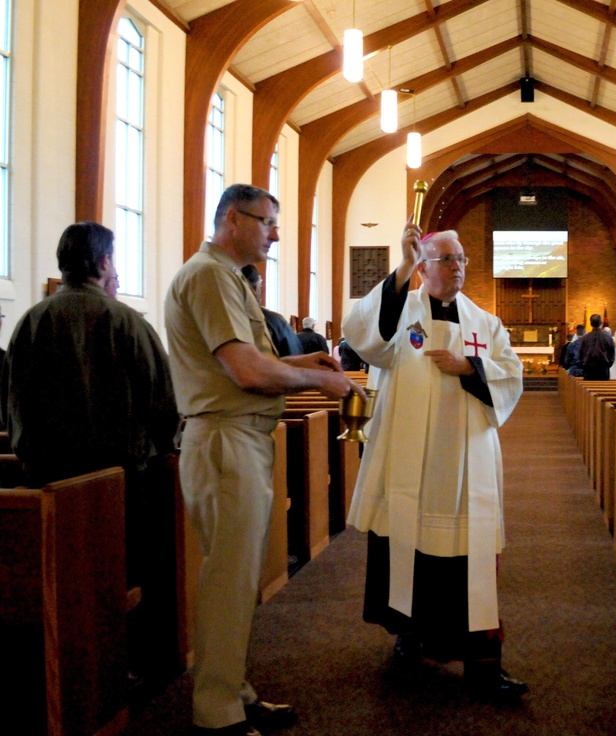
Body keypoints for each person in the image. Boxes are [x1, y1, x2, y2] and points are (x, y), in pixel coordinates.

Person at [165, 184, 364, 736]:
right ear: (232, 219)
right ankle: (218, 713)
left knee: (239, 577)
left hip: (239, 436)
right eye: (268, 222)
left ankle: (233, 689)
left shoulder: (225, 277)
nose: (276, 234)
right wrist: (318, 379)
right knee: (229, 581)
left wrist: (303, 359)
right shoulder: (209, 275)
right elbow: (247, 372)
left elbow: (248, 358)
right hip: (225, 438)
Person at [342, 218, 526, 699]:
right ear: (423, 266)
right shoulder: (402, 312)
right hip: (411, 459)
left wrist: (471, 367)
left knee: (472, 561)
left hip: (467, 465)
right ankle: (411, 645)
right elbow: (362, 335)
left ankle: (485, 668)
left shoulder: (485, 322)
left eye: (463, 258)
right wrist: (400, 265)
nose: (459, 266)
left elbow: (511, 374)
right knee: (410, 553)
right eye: (448, 259)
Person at [2, 221, 177, 487]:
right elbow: (163, 402)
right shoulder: (128, 321)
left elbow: (10, 402)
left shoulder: (31, 321)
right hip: (119, 478)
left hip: (46, 475)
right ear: (104, 262)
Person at [241, 264, 303, 357]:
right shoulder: (274, 321)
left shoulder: (224, 316)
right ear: (256, 287)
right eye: (260, 285)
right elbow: (296, 356)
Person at [577, 313, 616, 379]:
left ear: (591, 324)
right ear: (601, 323)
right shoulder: (608, 337)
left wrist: (584, 364)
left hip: (589, 370)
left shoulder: (585, 338)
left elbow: (581, 354)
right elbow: (612, 353)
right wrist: (608, 364)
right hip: (603, 370)